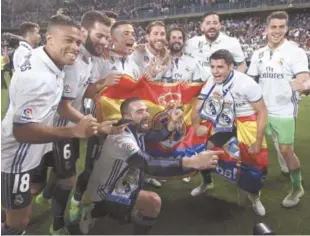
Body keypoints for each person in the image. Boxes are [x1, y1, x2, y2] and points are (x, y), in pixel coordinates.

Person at [1, 14, 97, 235]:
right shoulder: (38, 78)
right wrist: (74, 130)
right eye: (68, 40)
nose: (75, 47)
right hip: (17, 158)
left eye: (78, 42)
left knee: (16, 210)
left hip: (28, 151)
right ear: (49, 38)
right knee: (19, 222)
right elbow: (22, 131)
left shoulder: (44, 58)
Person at [79, 97, 221, 235]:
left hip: (120, 180)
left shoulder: (135, 129)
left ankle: (118, 211)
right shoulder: (121, 137)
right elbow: (149, 164)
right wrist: (192, 161)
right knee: (152, 202)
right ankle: (93, 209)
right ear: (127, 116)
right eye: (140, 112)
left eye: (146, 110)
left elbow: (155, 136)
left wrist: (172, 123)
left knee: (138, 190)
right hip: (105, 190)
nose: (147, 114)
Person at [31, 11, 116, 234]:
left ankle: (46, 198)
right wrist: (90, 124)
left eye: (107, 37)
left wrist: (98, 87)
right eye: (100, 36)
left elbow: (83, 91)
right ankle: (56, 225)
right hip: (58, 125)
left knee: (57, 175)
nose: (105, 41)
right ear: (85, 31)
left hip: (64, 126)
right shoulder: (75, 60)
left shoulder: (87, 59)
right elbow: (63, 105)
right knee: (64, 179)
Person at [69, 20, 142, 220]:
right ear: (114, 39)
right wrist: (103, 84)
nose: (132, 37)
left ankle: (107, 205)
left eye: (133, 33)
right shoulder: (101, 61)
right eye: (126, 33)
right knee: (93, 165)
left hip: (125, 129)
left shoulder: (134, 64)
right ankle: (77, 201)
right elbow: (87, 92)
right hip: (103, 125)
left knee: (122, 167)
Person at [193, 49, 268, 216]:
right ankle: (207, 181)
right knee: (205, 148)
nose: (215, 71)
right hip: (225, 123)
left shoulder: (247, 84)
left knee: (253, 161)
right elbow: (198, 106)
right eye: (212, 66)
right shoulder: (211, 81)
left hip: (246, 123)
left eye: (220, 67)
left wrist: (257, 141)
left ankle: (254, 197)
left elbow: (262, 112)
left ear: (231, 67)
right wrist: (196, 125)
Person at [247, 11, 309, 208]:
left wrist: (305, 86)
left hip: (284, 111)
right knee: (255, 148)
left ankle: (297, 187)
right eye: (273, 27)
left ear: (287, 29)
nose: (277, 31)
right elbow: (251, 81)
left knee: (286, 151)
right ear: (266, 29)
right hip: (262, 110)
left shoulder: (295, 52)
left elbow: (304, 76)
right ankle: (254, 185)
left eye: (281, 27)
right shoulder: (258, 54)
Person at [185, 12, 247, 195]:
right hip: (201, 100)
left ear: (220, 25)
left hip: (225, 102)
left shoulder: (232, 43)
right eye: (208, 23)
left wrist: (231, 86)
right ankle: (206, 180)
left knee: (235, 144)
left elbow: (242, 66)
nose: (211, 25)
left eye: (215, 22)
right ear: (202, 26)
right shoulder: (192, 43)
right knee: (201, 143)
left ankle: (248, 189)